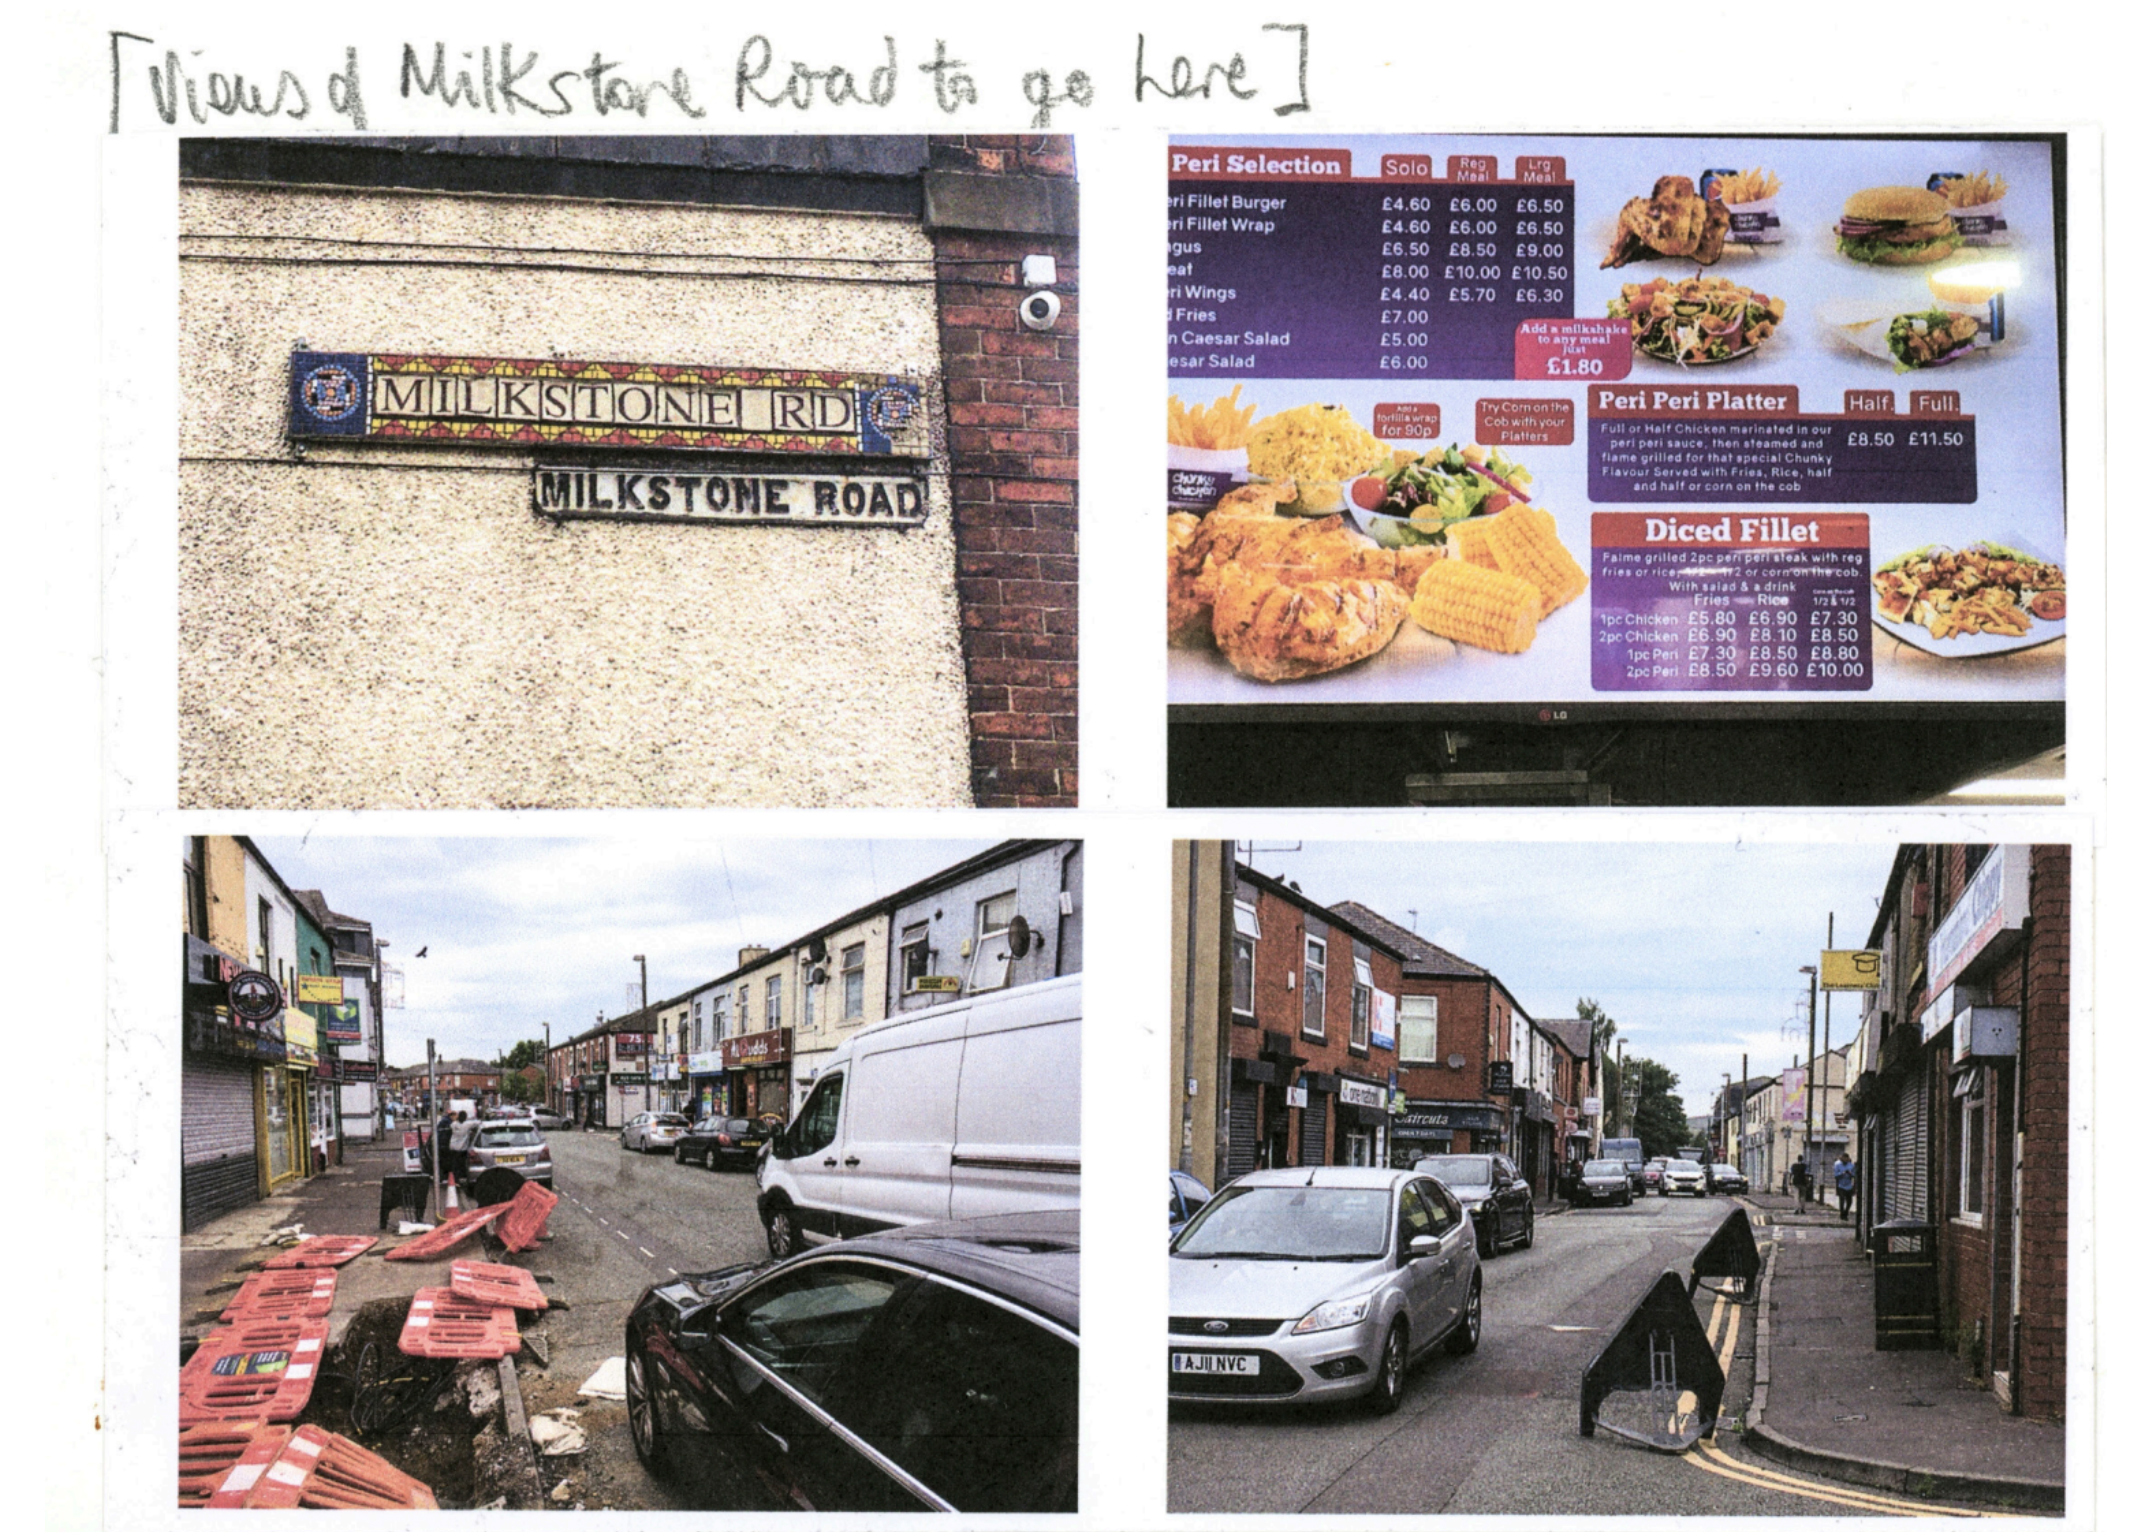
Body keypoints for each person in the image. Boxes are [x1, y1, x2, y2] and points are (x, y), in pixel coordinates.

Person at [447, 1109, 478, 1184]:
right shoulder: (467, 1124)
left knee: (454, 1164)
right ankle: (463, 1178)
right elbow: (478, 1123)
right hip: (462, 1148)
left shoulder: (453, 1124)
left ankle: (455, 1180)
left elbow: (450, 1129)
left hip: (453, 1147)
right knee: (463, 1164)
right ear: (465, 1117)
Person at [1833, 1152, 1856, 1220]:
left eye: (1846, 1160)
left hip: (1849, 1185)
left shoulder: (1851, 1166)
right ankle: (1842, 1214)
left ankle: (1846, 1212)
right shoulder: (1837, 1165)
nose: (1845, 1161)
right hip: (1841, 1185)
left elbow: (1854, 1175)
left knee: (1849, 1201)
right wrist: (1842, 1173)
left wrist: (1850, 1173)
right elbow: (1836, 1176)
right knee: (1842, 1200)